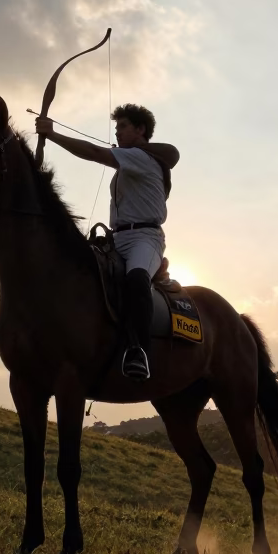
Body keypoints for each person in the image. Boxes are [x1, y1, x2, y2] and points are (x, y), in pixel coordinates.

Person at [34, 104, 179, 380]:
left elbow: (93, 152)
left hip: (145, 239)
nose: (117, 131)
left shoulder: (140, 158)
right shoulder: (132, 160)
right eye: (117, 127)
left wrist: (51, 135)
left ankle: (139, 351)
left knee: (136, 279)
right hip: (118, 237)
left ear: (141, 130)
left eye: (123, 126)